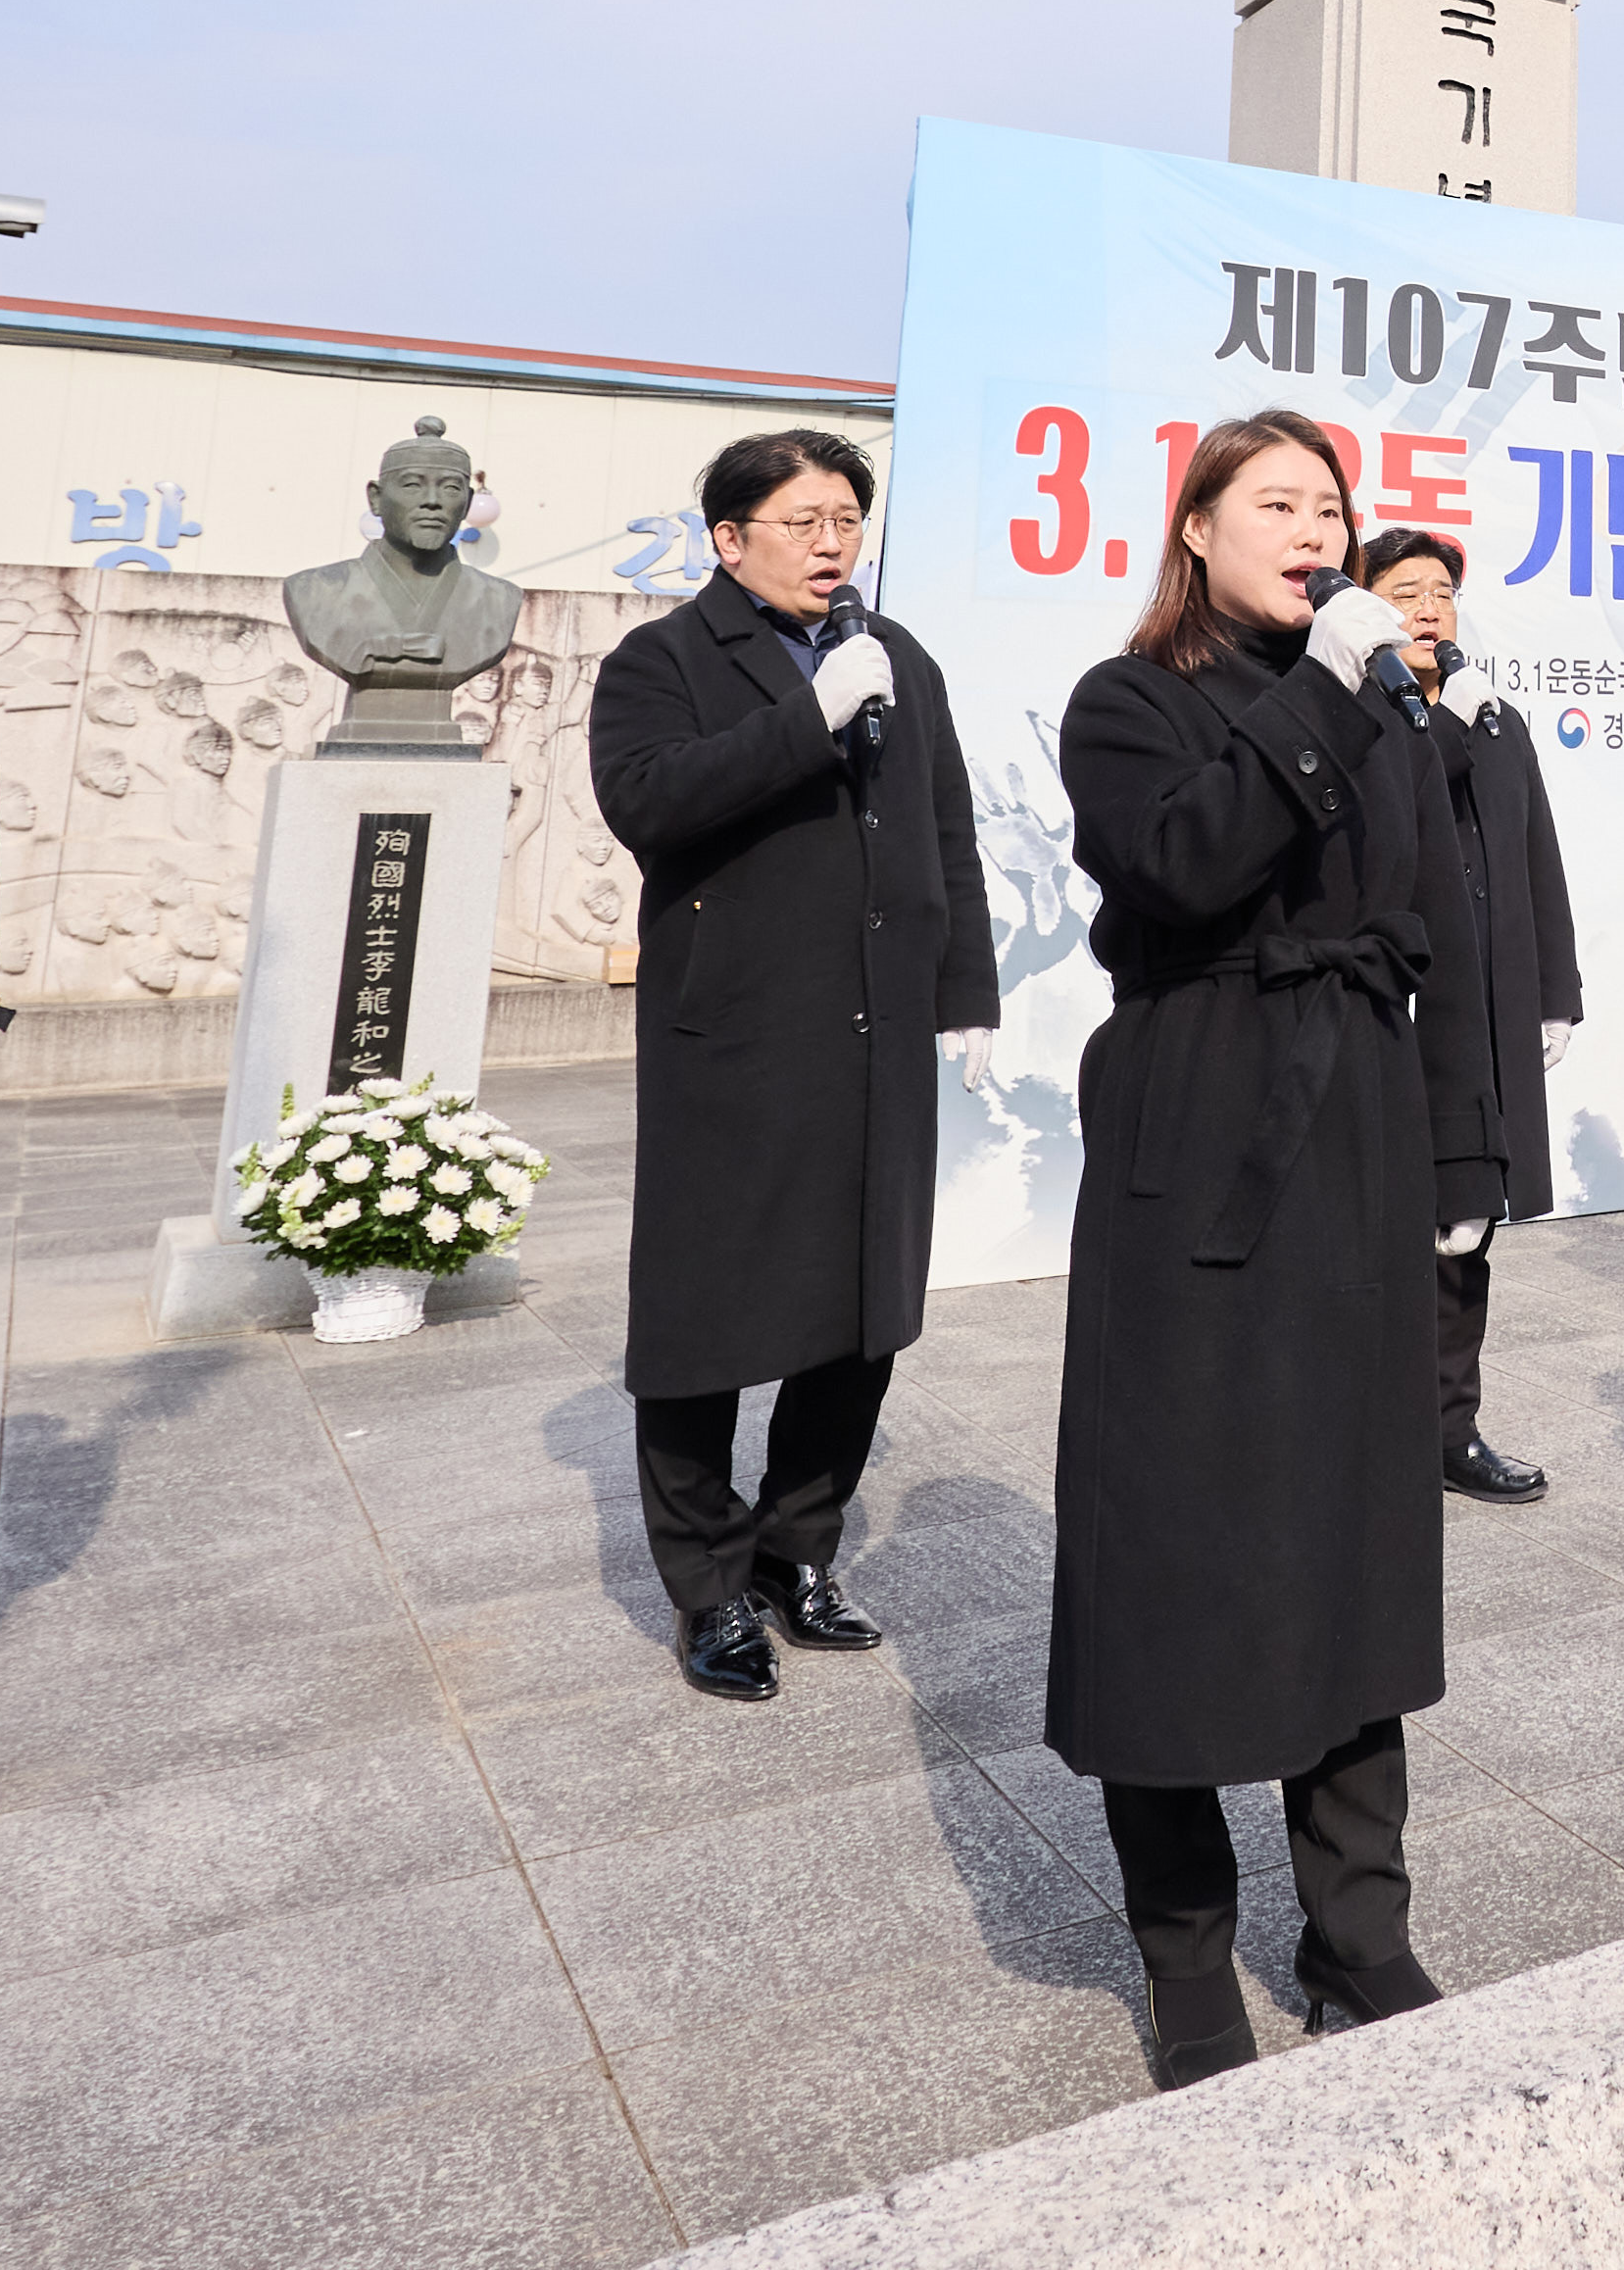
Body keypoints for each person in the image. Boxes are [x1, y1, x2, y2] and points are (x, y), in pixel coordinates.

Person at [1046, 414, 1501, 2087]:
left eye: (1333, 510)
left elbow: (1438, 931)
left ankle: (1357, 1931)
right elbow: (1182, 861)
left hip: (1362, 1141)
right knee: (1175, 1536)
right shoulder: (1131, 703)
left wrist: (1463, 1148)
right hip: (1203, 1133)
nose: (1317, 535)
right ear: (1198, 533)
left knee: (1359, 1536)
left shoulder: (1389, 712)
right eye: (1281, 507)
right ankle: (1182, 1951)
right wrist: (1332, 693)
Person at [587, 427, 999, 1702]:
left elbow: (947, 827)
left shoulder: (897, 660)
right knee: (708, 1322)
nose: (834, 544)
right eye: (804, 521)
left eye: (846, 520)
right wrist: (803, 721)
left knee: (862, 1313)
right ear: (729, 538)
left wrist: (966, 990)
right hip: (741, 1041)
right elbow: (649, 802)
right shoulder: (661, 663)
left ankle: (796, 1549)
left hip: (881, 1029)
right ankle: (709, 1589)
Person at [1359, 522, 1586, 1501]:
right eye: (1405, 589)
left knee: (1467, 1227)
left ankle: (1451, 1428)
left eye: (1443, 592)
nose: (1428, 607)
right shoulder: (1357, 712)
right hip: (1395, 1013)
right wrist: (1443, 718)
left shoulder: (1495, 716)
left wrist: (1555, 989)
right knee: (1384, 1230)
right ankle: (1369, 1428)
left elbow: (1537, 852)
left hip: (1483, 1011)